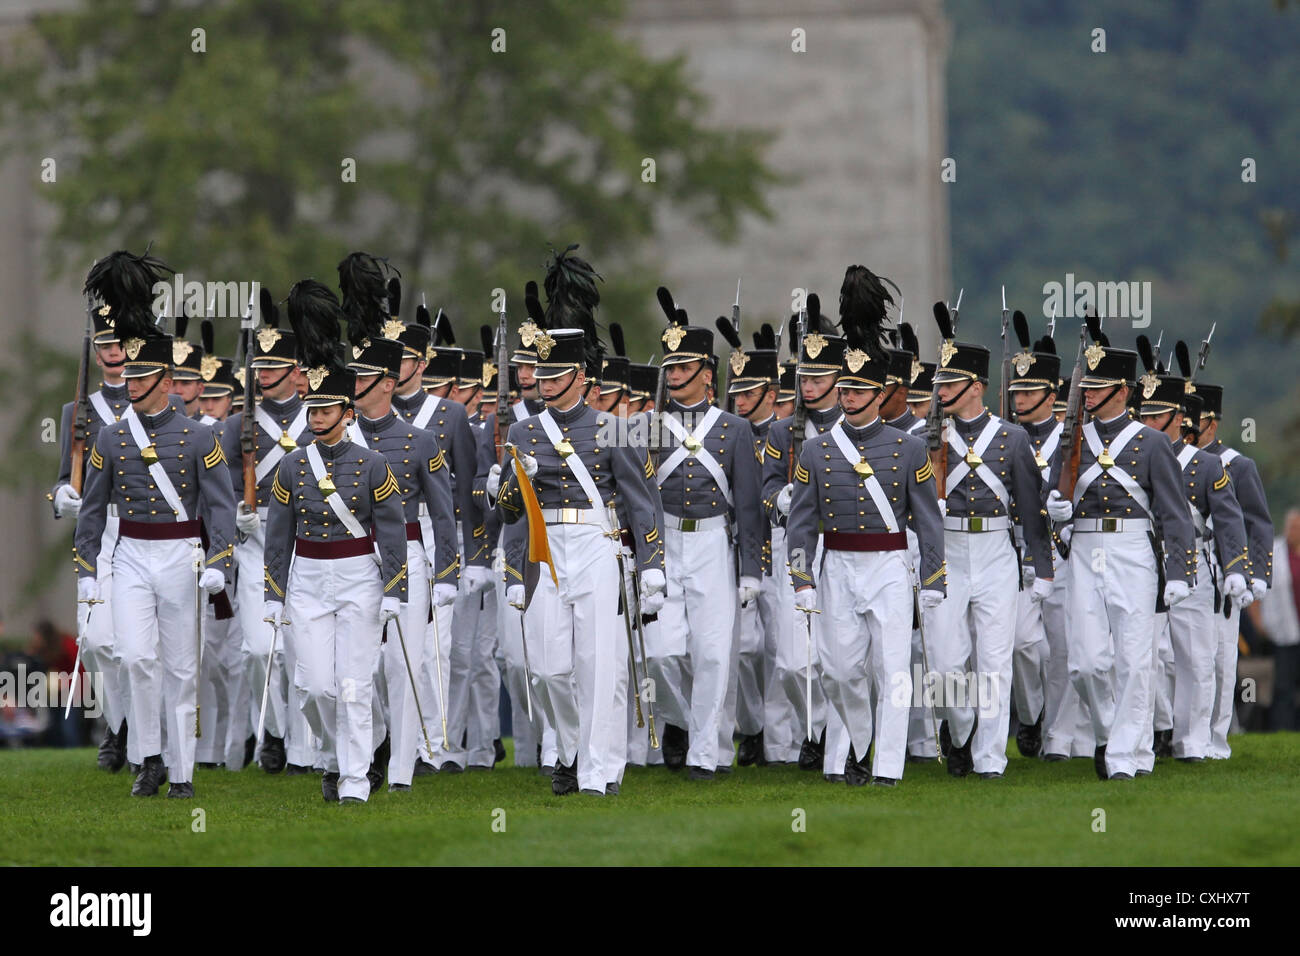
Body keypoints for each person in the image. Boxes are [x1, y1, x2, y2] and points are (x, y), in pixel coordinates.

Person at [495, 246, 664, 796]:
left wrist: (653, 564)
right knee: (545, 669)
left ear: (579, 375)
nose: (543, 381)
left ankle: (598, 770)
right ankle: (566, 749)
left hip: (597, 543)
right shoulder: (521, 433)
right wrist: (505, 506)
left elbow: (641, 502)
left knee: (598, 664)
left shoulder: (615, 427)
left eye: (555, 372)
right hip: (545, 549)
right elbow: (514, 510)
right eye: (539, 372)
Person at [75, 250, 237, 798]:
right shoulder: (110, 436)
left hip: (181, 556)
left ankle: (183, 770)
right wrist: (86, 568)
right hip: (130, 557)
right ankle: (148, 758)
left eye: (144, 373)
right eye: (130, 371)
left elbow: (218, 507)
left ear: (165, 379)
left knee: (182, 667)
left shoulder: (200, 437)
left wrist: (219, 561)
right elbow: (94, 508)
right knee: (136, 658)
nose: (132, 380)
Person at [786, 301, 945, 786]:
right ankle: (859, 740)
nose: (850, 397)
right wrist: (801, 576)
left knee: (892, 667)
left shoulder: (909, 447)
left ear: (880, 393)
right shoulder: (816, 450)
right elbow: (800, 522)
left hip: (890, 565)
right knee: (837, 670)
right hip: (837, 565)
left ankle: (888, 768)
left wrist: (934, 576)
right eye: (846, 388)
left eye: (860, 389)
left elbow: (928, 520)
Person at [263, 279, 408, 804]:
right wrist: (272, 593)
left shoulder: (373, 465)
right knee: (315, 686)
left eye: (326, 411)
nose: (317, 418)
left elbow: (390, 528)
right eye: (313, 412)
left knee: (354, 685)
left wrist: (395, 587)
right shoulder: (291, 466)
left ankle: (352, 779)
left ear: (347, 412)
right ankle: (336, 753)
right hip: (306, 579)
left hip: (358, 578)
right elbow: (278, 536)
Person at [1046, 338, 1195, 780]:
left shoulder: (1151, 443)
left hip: (1133, 550)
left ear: (1122, 391)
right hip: (1086, 549)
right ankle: (1111, 733)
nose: (1087, 394)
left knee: (1134, 657)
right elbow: (1051, 492)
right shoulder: (1071, 437)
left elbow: (1174, 512)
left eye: (1098, 387)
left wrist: (1181, 571)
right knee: (1085, 662)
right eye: (1085, 387)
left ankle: (1125, 757)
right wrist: (1056, 509)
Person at [51, 284, 181, 772]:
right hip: (97, 533)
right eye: (104, 346)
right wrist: (63, 496)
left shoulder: (155, 408)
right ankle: (119, 719)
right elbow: (65, 478)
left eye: (120, 346)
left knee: (138, 646)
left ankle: (137, 734)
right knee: (99, 640)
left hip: (143, 531)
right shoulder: (77, 412)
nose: (112, 354)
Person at [647, 315, 762, 780]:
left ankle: (707, 754)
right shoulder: (647, 427)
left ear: (705, 373)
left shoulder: (735, 429)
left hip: (715, 542)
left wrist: (751, 569)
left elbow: (750, 506)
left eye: (683, 367)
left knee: (714, 653)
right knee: (661, 652)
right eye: (670, 367)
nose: (673, 375)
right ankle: (678, 720)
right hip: (665, 544)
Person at [1136, 353, 1249, 766]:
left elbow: (1230, 520)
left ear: (1178, 421)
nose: (1146, 425)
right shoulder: (1136, 460)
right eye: (1143, 416)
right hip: (1146, 560)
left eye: (1155, 417)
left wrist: (1237, 569)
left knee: (1196, 658)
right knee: (1148, 656)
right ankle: (1155, 730)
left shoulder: (1207, 466)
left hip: (1195, 566)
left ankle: (1192, 742)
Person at [220, 291, 315, 775]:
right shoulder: (235, 427)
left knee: (303, 651)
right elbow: (220, 489)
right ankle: (275, 730)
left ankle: (303, 746)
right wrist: (238, 513)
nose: (263, 374)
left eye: (275, 365)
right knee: (259, 648)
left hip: (312, 549)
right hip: (256, 550)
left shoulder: (318, 420)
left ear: (295, 369)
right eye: (261, 365)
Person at [391, 306, 490, 772]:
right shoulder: (369, 413)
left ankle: (433, 743)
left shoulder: (449, 415)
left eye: (404, 359)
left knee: (436, 645)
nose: (394, 369)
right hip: (382, 532)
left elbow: (469, 490)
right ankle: (389, 739)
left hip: (435, 532)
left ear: (422, 363)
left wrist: (474, 558)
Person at [1191, 381, 1274, 758]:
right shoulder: (1170, 457)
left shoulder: (1237, 465)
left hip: (1225, 570)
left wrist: (1257, 573)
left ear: (1213, 423)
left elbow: (1257, 522)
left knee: (1222, 660)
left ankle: (1215, 738)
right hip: (1183, 564)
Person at [1259, 509, 1300, 730]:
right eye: (1291, 527)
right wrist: (1261, 624)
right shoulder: (1275, 552)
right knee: (1283, 686)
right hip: (1284, 631)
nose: (1293, 531)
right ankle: (1283, 728)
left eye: (1297, 527)